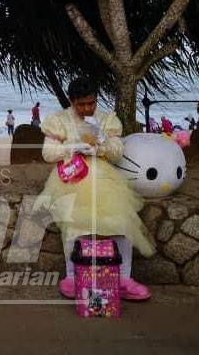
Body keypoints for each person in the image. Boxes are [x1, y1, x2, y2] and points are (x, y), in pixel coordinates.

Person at [38, 77, 154, 301]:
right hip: (71, 174)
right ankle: (73, 277)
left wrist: (102, 145)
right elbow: (47, 153)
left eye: (91, 103)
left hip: (103, 176)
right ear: (71, 101)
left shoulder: (106, 119)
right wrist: (73, 147)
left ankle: (123, 278)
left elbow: (117, 152)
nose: (86, 108)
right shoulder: (59, 120)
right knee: (73, 222)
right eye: (81, 104)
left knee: (121, 220)